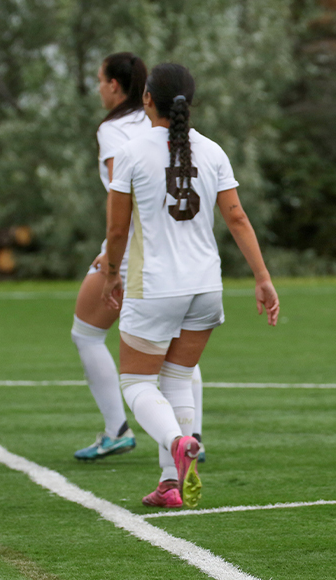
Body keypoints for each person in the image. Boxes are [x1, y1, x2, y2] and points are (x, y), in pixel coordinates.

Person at [102, 63, 279, 508]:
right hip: (205, 287)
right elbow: (237, 218)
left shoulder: (132, 151)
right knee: (177, 379)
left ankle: (179, 442)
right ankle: (170, 484)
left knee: (136, 384)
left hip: (156, 287)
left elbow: (117, 232)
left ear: (147, 98)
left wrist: (110, 275)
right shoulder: (213, 151)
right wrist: (262, 277)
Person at [71, 52, 209, 466]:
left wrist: (110, 256)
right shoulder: (177, 123)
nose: (99, 88)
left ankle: (118, 430)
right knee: (180, 348)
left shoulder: (114, 129)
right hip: (186, 255)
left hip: (138, 251)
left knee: (86, 333)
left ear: (117, 86)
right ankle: (191, 436)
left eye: (100, 80)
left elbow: (128, 195)